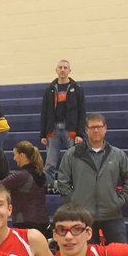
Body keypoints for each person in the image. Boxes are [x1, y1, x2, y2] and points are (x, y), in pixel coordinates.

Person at [57, 113, 128, 256]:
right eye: (92, 127)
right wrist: (74, 203)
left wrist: (119, 201)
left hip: (112, 214)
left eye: (99, 126)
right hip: (83, 218)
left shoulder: (117, 154)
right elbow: (62, 180)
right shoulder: (73, 153)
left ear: (105, 128)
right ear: (86, 131)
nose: (96, 130)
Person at [40, 59, 86, 187]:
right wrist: (43, 134)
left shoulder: (77, 89)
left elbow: (82, 113)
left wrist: (80, 134)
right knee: (50, 162)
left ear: (69, 71)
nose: (62, 70)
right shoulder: (49, 90)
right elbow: (44, 112)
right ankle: (48, 186)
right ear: (56, 70)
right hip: (53, 129)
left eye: (65, 67)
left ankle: (74, 185)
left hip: (70, 129)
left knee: (74, 160)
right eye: (60, 67)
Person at [0, 141, 49, 235]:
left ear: (22, 155)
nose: (14, 158)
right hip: (43, 220)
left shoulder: (21, 176)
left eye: (15, 155)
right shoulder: (41, 174)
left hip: (25, 221)